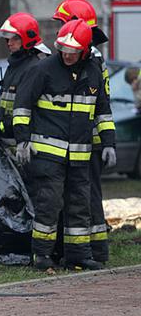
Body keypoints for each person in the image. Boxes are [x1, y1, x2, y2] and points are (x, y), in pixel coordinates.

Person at [11, 19, 112, 271]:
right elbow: (22, 105)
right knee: (49, 204)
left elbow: (103, 112)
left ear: (86, 50)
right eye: (64, 50)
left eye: (73, 51)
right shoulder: (43, 70)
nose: (67, 55)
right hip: (47, 153)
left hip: (80, 154)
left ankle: (78, 254)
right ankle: (42, 256)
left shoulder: (93, 72)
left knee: (80, 205)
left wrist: (109, 143)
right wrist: (23, 140)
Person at [52, 0, 116, 265]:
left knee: (85, 197)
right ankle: (91, 250)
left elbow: (97, 105)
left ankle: (94, 251)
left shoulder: (88, 60)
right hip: (84, 139)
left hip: (86, 141)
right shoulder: (92, 56)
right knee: (83, 197)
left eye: (63, 23)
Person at [0, 13, 51, 150]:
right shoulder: (14, 66)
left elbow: (25, 109)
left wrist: (23, 141)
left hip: (25, 145)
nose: (9, 43)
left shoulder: (33, 68)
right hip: (8, 141)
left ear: (27, 39)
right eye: (8, 39)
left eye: (15, 38)